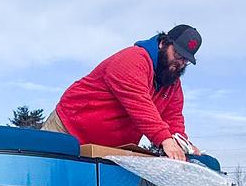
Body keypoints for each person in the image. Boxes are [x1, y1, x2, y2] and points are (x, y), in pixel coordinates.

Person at [43, 25, 201, 160]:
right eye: (177, 55)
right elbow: (139, 104)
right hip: (67, 129)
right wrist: (164, 139)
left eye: (185, 60)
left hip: (106, 151)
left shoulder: (172, 84)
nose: (179, 63)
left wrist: (182, 145)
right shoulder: (132, 60)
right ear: (163, 43)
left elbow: (173, 119)